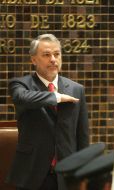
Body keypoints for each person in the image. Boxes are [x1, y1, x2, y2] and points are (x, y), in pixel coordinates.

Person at [6, 34, 89, 190]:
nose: (53, 59)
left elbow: (82, 134)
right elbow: (21, 97)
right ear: (33, 60)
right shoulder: (21, 84)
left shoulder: (77, 89)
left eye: (57, 54)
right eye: (46, 55)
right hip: (32, 173)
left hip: (67, 174)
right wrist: (56, 97)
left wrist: (83, 171)